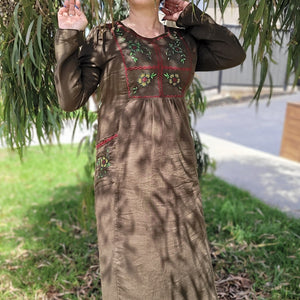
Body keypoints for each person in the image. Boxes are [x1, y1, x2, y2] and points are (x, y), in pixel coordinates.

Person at [54, 0, 246, 298]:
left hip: (176, 170)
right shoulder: (105, 37)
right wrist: (69, 34)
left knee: (183, 253)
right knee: (131, 261)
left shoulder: (184, 41)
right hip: (124, 172)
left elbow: (232, 53)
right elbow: (70, 98)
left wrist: (190, 16)